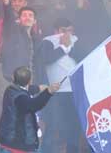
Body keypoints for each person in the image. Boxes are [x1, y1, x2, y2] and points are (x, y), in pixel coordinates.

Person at [37, 18, 81, 153]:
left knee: (74, 125)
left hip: (74, 90)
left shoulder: (76, 40)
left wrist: (69, 47)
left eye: (70, 31)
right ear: (56, 30)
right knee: (53, 125)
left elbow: (83, 57)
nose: (67, 34)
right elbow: (46, 59)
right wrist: (62, 47)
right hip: (55, 91)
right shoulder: (48, 41)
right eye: (63, 31)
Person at [0, 66, 59, 153]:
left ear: (13, 77)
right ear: (30, 80)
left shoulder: (10, 90)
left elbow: (27, 89)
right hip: (18, 144)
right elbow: (34, 105)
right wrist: (48, 92)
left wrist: (40, 88)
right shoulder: (21, 98)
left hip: (9, 141)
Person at [0, 0, 41, 81]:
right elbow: (9, 17)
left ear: (35, 21)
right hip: (12, 78)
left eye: (30, 16)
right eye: (24, 15)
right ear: (19, 20)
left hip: (30, 80)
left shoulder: (36, 38)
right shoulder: (13, 29)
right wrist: (6, 3)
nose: (27, 18)